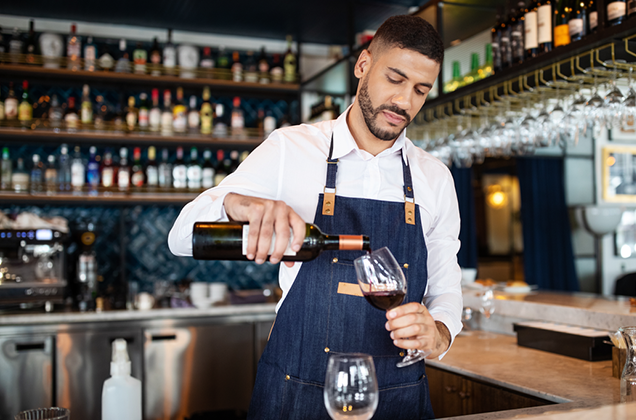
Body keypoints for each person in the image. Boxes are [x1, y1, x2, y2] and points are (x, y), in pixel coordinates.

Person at [168, 15, 462, 420]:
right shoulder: (292, 149)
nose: (405, 102)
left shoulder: (435, 178)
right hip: (295, 393)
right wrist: (239, 205)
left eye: (420, 89)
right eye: (395, 79)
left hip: (397, 398)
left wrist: (440, 334)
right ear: (363, 65)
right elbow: (181, 235)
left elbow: (447, 289)